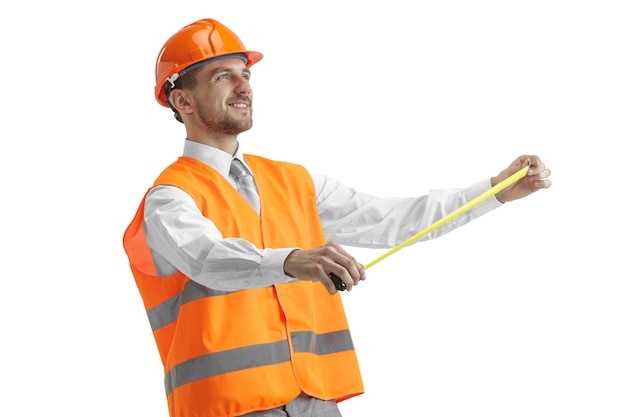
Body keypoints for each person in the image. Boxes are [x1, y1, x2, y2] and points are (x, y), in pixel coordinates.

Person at [122, 18, 552, 417]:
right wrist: (294, 261)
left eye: (246, 75)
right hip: (225, 407)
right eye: (223, 76)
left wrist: (493, 192)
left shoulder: (294, 181)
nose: (244, 87)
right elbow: (206, 259)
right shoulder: (170, 197)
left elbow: (392, 219)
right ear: (182, 100)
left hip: (313, 400)